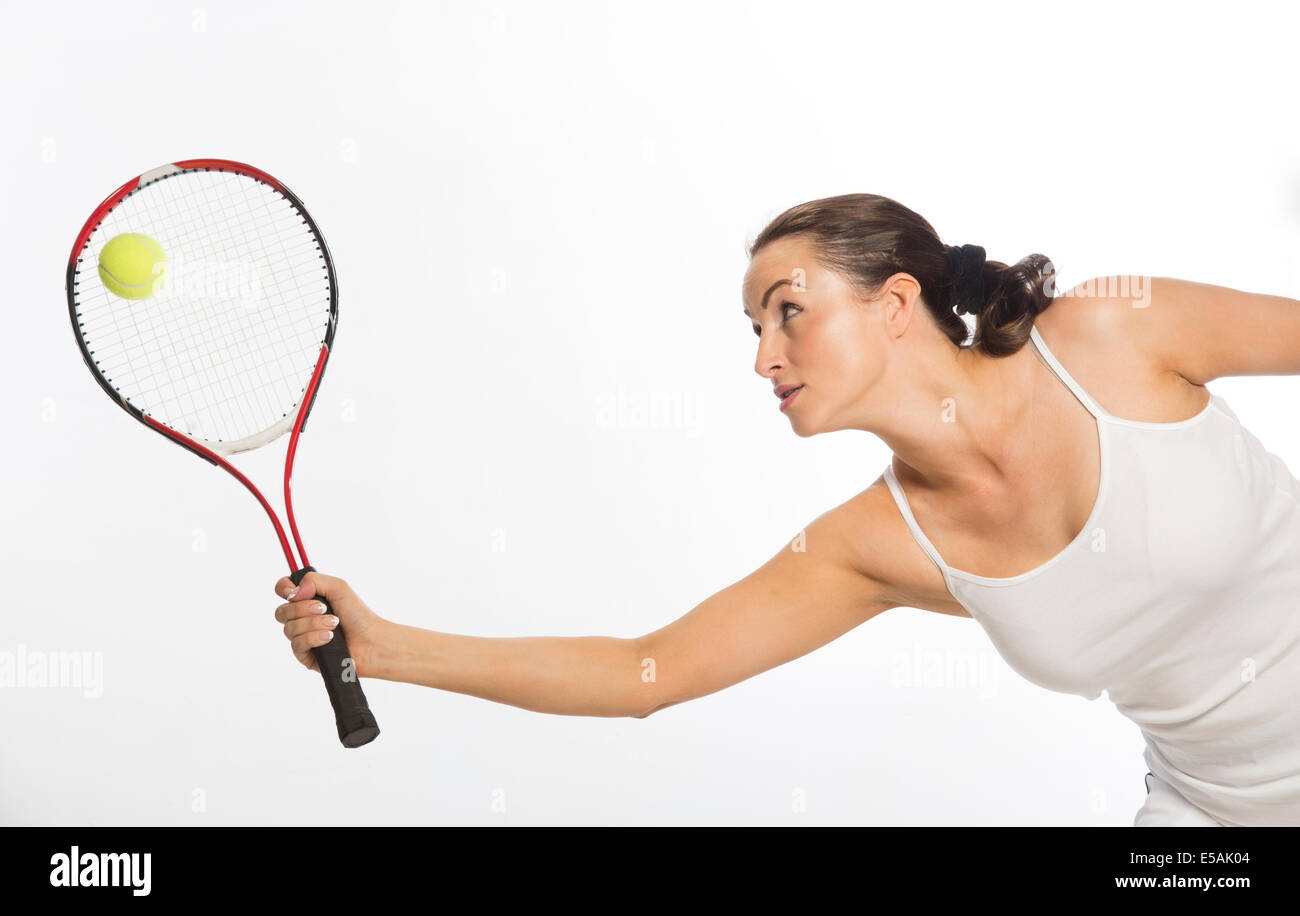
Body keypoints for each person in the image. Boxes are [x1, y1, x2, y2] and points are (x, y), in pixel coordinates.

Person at [273, 193, 1300, 826]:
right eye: (755, 325)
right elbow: (645, 672)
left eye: (788, 311)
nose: (763, 355)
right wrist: (388, 647)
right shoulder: (873, 545)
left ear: (894, 303)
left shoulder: (1112, 336)